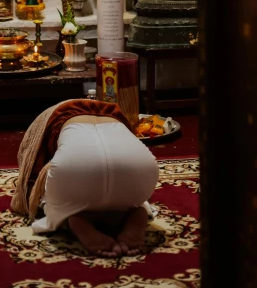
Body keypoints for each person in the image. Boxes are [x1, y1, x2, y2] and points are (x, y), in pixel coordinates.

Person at [12, 99, 159, 257]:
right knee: (126, 186)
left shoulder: (46, 120)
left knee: (45, 196)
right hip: (142, 167)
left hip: (77, 169)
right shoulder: (116, 117)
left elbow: (33, 175)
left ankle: (71, 220)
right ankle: (138, 210)